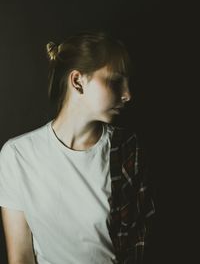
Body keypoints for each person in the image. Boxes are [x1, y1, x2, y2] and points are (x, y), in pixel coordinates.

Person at [0, 30, 155, 264]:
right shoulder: (18, 155)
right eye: (115, 81)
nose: (127, 94)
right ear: (77, 81)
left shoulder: (127, 150)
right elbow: (20, 257)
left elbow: (139, 246)